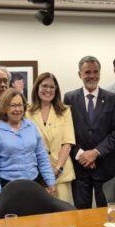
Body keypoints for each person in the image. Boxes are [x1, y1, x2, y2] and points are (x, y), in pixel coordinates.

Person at [64, 56, 115, 209]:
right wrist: (81, 154)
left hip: (105, 167)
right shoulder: (69, 98)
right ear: (80, 74)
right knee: (81, 213)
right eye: (87, 72)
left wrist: (95, 152)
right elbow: (66, 132)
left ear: (100, 73)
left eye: (95, 72)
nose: (92, 76)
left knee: (106, 212)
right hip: (80, 167)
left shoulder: (112, 99)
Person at [0, 89, 56, 199]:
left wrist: (50, 181)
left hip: (34, 183)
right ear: (4, 107)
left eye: (20, 105)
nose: (17, 109)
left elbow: (42, 157)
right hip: (7, 186)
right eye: (13, 105)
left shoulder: (32, 127)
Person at [25, 72, 76, 202]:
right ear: (37, 87)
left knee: (64, 212)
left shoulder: (65, 111)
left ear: (56, 89)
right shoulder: (27, 112)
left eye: (52, 87)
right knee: (40, 212)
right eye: (44, 86)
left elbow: (67, 143)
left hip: (61, 173)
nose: (48, 90)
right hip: (37, 174)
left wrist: (57, 169)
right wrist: (43, 172)